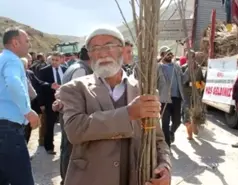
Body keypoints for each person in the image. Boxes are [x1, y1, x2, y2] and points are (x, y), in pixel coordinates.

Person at [59, 26, 171, 185]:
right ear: (89, 54)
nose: (102, 53)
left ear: (122, 50)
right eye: (95, 48)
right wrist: (128, 114)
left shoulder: (144, 90)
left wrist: (165, 166)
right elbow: (74, 130)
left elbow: (158, 139)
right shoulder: (74, 89)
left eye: (109, 46)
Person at [0, 27, 39, 185]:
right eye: (27, 41)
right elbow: (14, 82)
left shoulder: (2, 59)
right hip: (9, 130)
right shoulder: (12, 60)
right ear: (15, 43)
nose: (29, 45)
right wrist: (27, 111)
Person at [55, 45, 93, 185]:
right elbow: (79, 95)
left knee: (67, 147)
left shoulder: (75, 66)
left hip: (67, 112)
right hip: (72, 114)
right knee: (70, 149)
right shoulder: (81, 70)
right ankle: (68, 179)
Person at [38, 52, 67, 154]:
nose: (54, 62)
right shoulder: (44, 71)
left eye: (56, 60)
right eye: (52, 59)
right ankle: (49, 147)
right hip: (50, 101)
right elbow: (39, 87)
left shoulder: (65, 70)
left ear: (61, 60)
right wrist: (41, 103)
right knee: (49, 125)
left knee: (66, 124)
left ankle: (66, 147)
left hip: (64, 101)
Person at [157, 46, 185, 146]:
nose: (169, 55)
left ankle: (171, 131)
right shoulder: (158, 67)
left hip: (176, 98)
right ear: (162, 55)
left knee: (177, 121)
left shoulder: (176, 66)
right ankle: (167, 145)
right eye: (166, 53)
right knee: (165, 123)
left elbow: (183, 79)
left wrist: (191, 69)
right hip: (164, 99)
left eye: (170, 53)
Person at [181, 50, 206, 140]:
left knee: (195, 113)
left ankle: (195, 127)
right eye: (188, 58)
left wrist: (196, 85)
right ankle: (190, 135)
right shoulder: (183, 68)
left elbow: (203, 82)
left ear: (194, 58)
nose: (190, 60)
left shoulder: (199, 68)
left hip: (196, 95)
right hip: (186, 95)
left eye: (192, 57)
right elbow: (182, 82)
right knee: (187, 114)